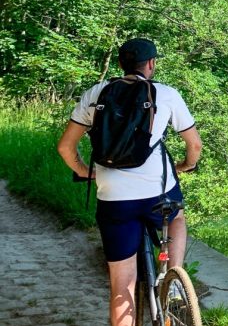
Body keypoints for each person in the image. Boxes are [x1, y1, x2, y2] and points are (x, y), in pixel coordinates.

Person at [57, 37, 202, 326]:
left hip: (114, 199)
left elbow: (65, 147)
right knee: (177, 218)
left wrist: (86, 171)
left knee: (121, 285)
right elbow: (194, 145)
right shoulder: (166, 94)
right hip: (157, 193)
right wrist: (186, 165)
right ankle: (173, 280)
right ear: (151, 64)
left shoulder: (97, 93)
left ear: (121, 63)